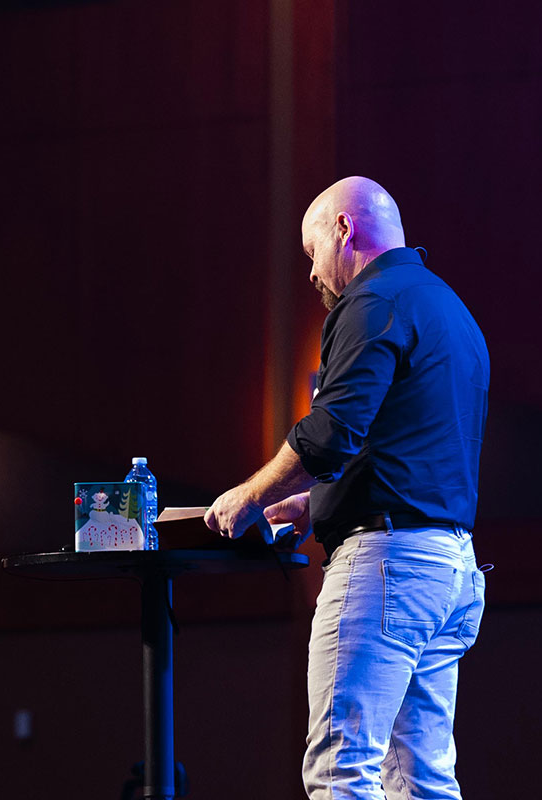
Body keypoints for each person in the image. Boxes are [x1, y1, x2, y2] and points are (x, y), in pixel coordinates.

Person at [204, 176, 490, 799]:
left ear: (344, 228)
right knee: (424, 779)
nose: (311, 276)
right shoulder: (450, 309)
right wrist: (314, 502)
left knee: (343, 770)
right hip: (451, 572)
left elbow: (331, 435)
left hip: (387, 569)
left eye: (311, 255)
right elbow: (413, 450)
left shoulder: (370, 302)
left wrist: (249, 495)